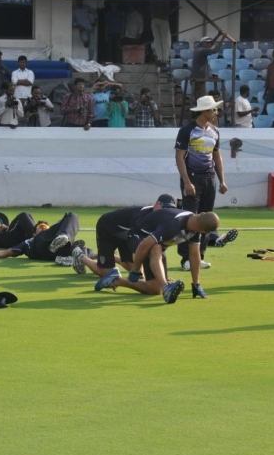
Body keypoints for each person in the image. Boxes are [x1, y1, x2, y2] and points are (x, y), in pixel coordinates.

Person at [94, 208, 222, 303]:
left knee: (154, 289)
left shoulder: (196, 229)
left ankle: (115, 280)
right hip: (137, 236)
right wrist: (136, 270)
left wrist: (196, 284)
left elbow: (194, 255)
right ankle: (166, 287)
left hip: (155, 244)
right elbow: (145, 244)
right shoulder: (174, 224)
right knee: (156, 248)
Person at [174, 95, 228, 272]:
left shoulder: (215, 131)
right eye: (213, 109)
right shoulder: (187, 130)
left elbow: (217, 157)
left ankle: (200, 256)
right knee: (190, 218)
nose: (216, 112)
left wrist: (222, 180)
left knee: (205, 218)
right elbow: (180, 157)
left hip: (209, 178)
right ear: (204, 111)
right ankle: (186, 259)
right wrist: (187, 182)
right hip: (192, 178)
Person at [72, 194, 178, 278]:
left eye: (169, 210)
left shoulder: (158, 220)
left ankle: (108, 256)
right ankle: (80, 256)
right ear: (157, 205)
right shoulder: (141, 217)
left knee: (133, 268)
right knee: (106, 273)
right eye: (165, 208)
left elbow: (158, 248)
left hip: (125, 234)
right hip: (107, 228)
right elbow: (140, 247)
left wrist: (163, 277)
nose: (166, 212)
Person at [0, 212, 82, 263]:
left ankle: (69, 255)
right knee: (24, 215)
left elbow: (7, 252)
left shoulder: (26, 242)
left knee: (79, 249)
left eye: (45, 227)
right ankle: (64, 240)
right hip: (39, 244)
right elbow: (6, 252)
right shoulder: (29, 242)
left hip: (53, 252)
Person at [191, 33, 227, 99]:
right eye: (207, 43)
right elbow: (215, 50)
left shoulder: (198, 48)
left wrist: (218, 35)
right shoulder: (202, 50)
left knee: (198, 95)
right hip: (199, 76)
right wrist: (223, 38)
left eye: (209, 43)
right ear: (203, 43)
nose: (209, 44)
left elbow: (211, 44)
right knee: (201, 96)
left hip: (197, 75)